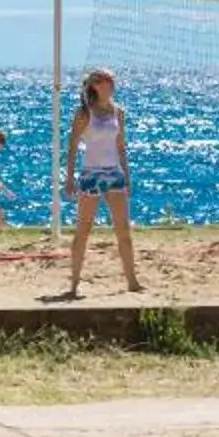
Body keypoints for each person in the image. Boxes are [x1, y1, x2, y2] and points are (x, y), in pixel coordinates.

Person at [58, 69, 142, 299]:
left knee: (123, 230)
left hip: (114, 174)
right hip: (91, 175)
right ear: (95, 85)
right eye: (107, 80)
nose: (112, 84)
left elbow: (121, 147)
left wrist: (127, 176)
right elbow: (73, 147)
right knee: (83, 230)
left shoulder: (118, 112)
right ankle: (74, 284)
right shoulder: (84, 113)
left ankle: (132, 281)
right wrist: (70, 178)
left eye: (112, 80)